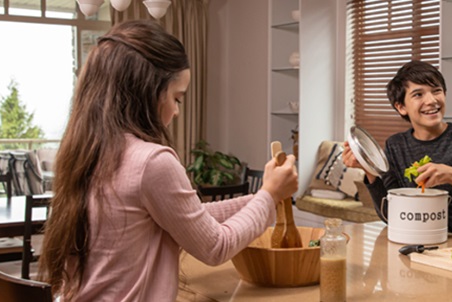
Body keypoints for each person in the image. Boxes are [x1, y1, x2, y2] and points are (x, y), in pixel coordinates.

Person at [38, 20, 299, 301]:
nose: (176, 112)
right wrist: (270, 194)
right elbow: (215, 246)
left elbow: (190, 218)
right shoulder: (151, 162)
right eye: (177, 98)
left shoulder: (91, 150)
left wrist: (264, 196)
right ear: (148, 90)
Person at [342, 60, 452, 242]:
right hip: (424, 247)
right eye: (418, 94)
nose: (431, 100)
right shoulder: (396, 145)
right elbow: (392, 215)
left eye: (436, 91)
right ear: (401, 107)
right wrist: (369, 171)